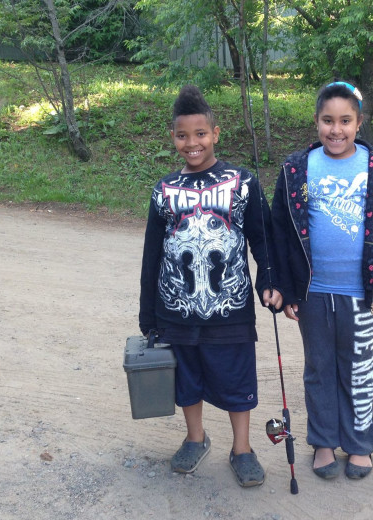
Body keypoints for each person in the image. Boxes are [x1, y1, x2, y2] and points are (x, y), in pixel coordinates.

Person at [139, 85, 283, 488]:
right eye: (183, 136)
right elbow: (153, 255)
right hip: (176, 310)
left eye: (200, 134)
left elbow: (263, 238)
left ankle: (242, 448)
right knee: (186, 379)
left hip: (230, 310)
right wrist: (147, 313)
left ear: (216, 134)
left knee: (237, 380)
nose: (192, 143)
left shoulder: (243, 183)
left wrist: (269, 282)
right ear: (173, 138)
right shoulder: (163, 191)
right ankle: (195, 438)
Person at [271, 81, 373, 480]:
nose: (336, 130)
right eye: (328, 121)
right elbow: (280, 230)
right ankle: (322, 442)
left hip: (363, 294)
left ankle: (359, 445)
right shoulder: (296, 169)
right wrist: (285, 288)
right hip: (312, 292)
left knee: (358, 369)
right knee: (319, 367)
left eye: (345, 121)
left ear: (359, 122)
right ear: (316, 121)